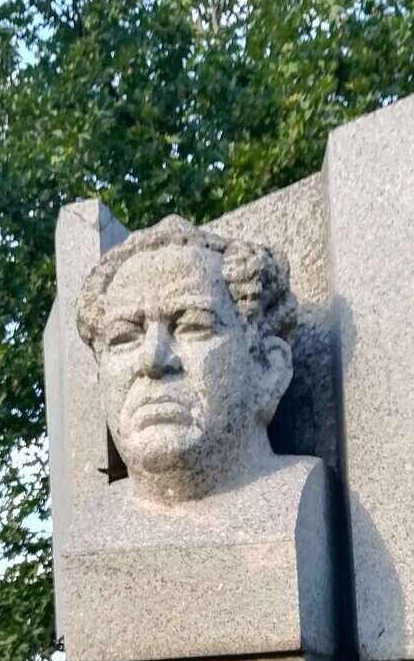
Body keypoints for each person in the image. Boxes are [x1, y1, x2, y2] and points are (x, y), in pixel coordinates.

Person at [76, 215, 297, 505]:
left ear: (268, 368)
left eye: (193, 326)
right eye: (124, 337)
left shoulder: (300, 499)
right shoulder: (96, 518)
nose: (153, 360)